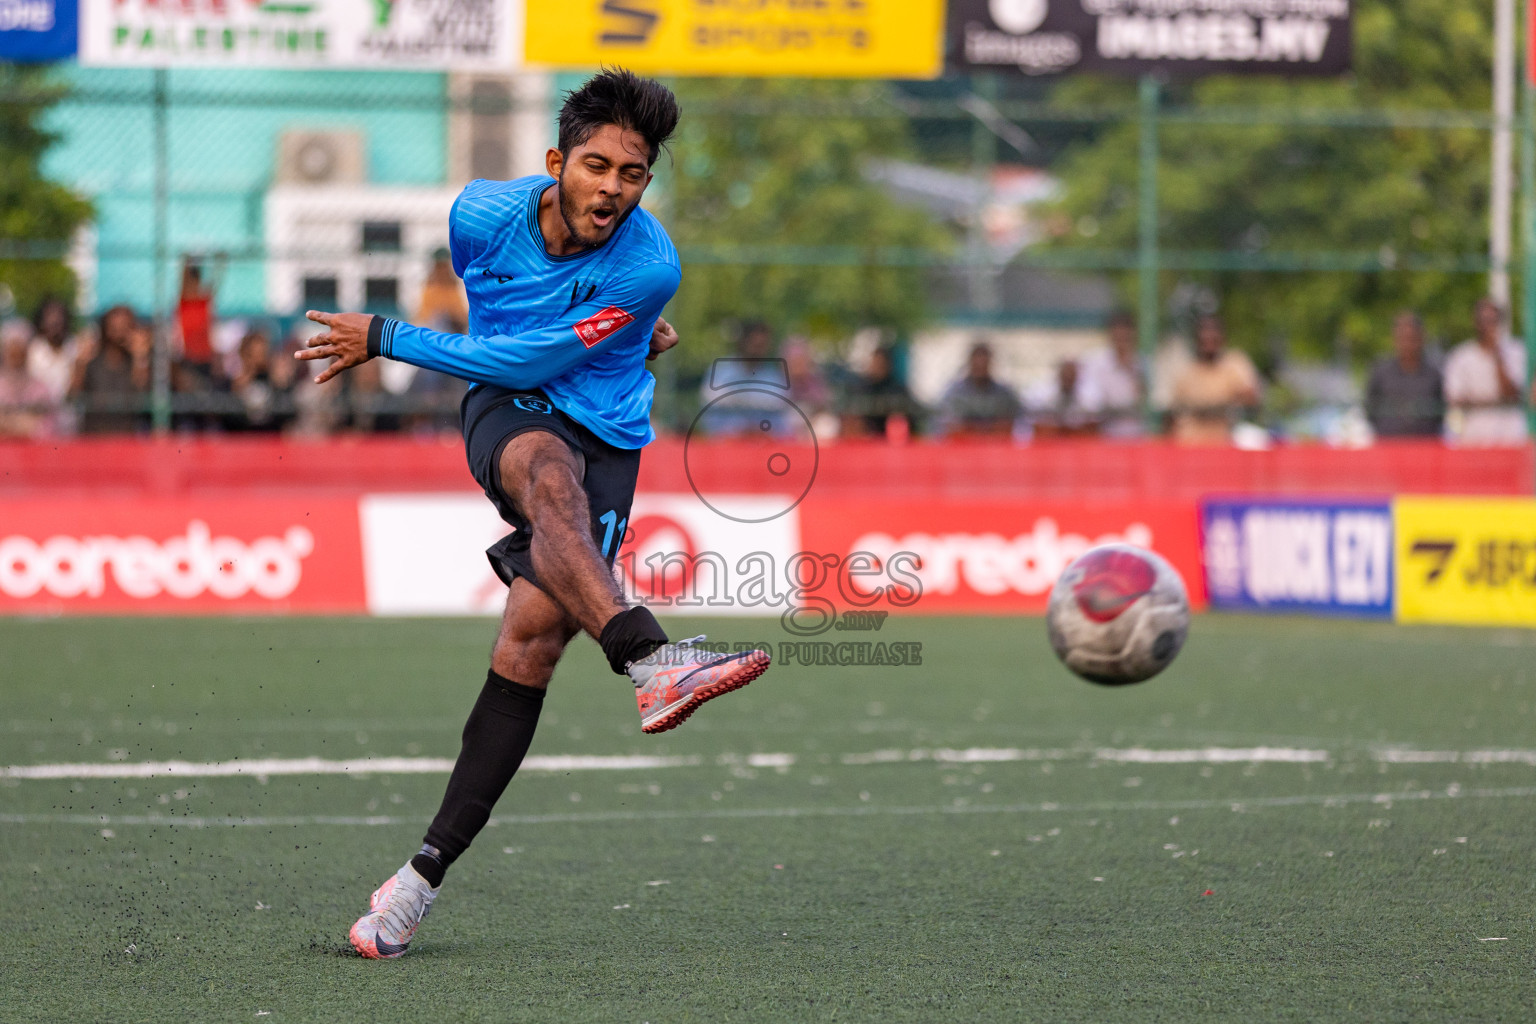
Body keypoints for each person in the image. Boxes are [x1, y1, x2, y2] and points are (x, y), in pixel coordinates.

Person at [296, 70, 772, 959]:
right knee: (546, 473)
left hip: (611, 435)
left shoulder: (650, 264)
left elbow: (536, 346)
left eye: (632, 175)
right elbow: (503, 344)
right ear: (557, 161)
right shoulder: (478, 215)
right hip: (508, 415)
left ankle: (414, 884)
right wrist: (409, 336)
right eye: (595, 166)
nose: (611, 189)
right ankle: (650, 656)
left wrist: (632, 326)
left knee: (531, 644)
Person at [1444, 297, 1527, 445]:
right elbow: (1456, 400)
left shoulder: (1516, 352)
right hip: (1473, 437)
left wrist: (1498, 358)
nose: (1489, 327)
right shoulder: (1461, 356)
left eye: (1494, 321)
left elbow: (1513, 395)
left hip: (1510, 437)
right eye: (1485, 321)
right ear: (1475, 323)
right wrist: (1493, 402)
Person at [1168, 314, 1261, 445]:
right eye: (1204, 333)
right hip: (1191, 445)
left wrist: (1216, 407)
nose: (1209, 338)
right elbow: (1175, 413)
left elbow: (1251, 397)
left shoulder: (1235, 363)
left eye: (1213, 333)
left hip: (1225, 443)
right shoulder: (1186, 372)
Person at [1364, 311, 1444, 438]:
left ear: (1421, 338)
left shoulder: (1433, 374)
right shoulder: (1381, 372)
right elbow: (1370, 408)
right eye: (1403, 338)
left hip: (1424, 447)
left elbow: (1441, 412)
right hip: (1388, 447)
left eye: (1412, 338)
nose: (1408, 345)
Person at [75, 305, 149, 434]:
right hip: (94, 435)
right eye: (115, 327)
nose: (120, 332)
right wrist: (80, 363)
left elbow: (141, 392)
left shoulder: (133, 362)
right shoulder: (93, 361)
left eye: (125, 327)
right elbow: (74, 394)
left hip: (125, 435)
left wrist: (140, 358)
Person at [1077, 310, 1144, 438]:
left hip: (1135, 435)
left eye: (1126, 336)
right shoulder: (1095, 363)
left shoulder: (1141, 363)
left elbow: (1142, 398)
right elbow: (1089, 400)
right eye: (1118, 335)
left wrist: (1131, 369)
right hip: (1105, 434)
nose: (1122, 340)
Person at [936, 340, 1022, 437]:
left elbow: (1016, 422)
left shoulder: (1004, 394)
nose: (980, 365)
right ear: (970, 363)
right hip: (962, 446)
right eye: (977, 363)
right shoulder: (955, 393)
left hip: (995, 446)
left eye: (984, 362)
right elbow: (947, 424)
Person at [840, 343, 924, 439]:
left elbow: (913, 418)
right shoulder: (862, 389)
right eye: (874, 361)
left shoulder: (897, 390)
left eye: (880, 362)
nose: (876, 365)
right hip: (867, 441)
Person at [0, 318, 56, 438]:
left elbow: (46, 428)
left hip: (32, 454)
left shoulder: (40, 389)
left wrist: (8, 424)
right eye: (12, 348)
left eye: (20, 349)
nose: (16, 353)